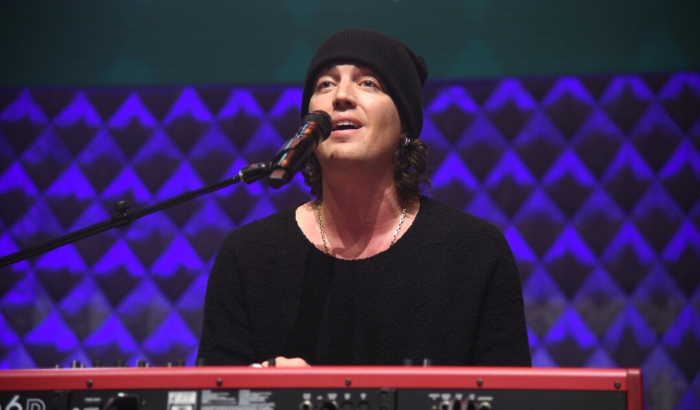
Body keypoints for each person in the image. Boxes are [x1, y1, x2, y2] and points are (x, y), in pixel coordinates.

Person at [197, 29, 531, 367]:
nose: (341, 95)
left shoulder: (475, 251)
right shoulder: (248, 255)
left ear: (405, 126)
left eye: (368, 82)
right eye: (324, 84)